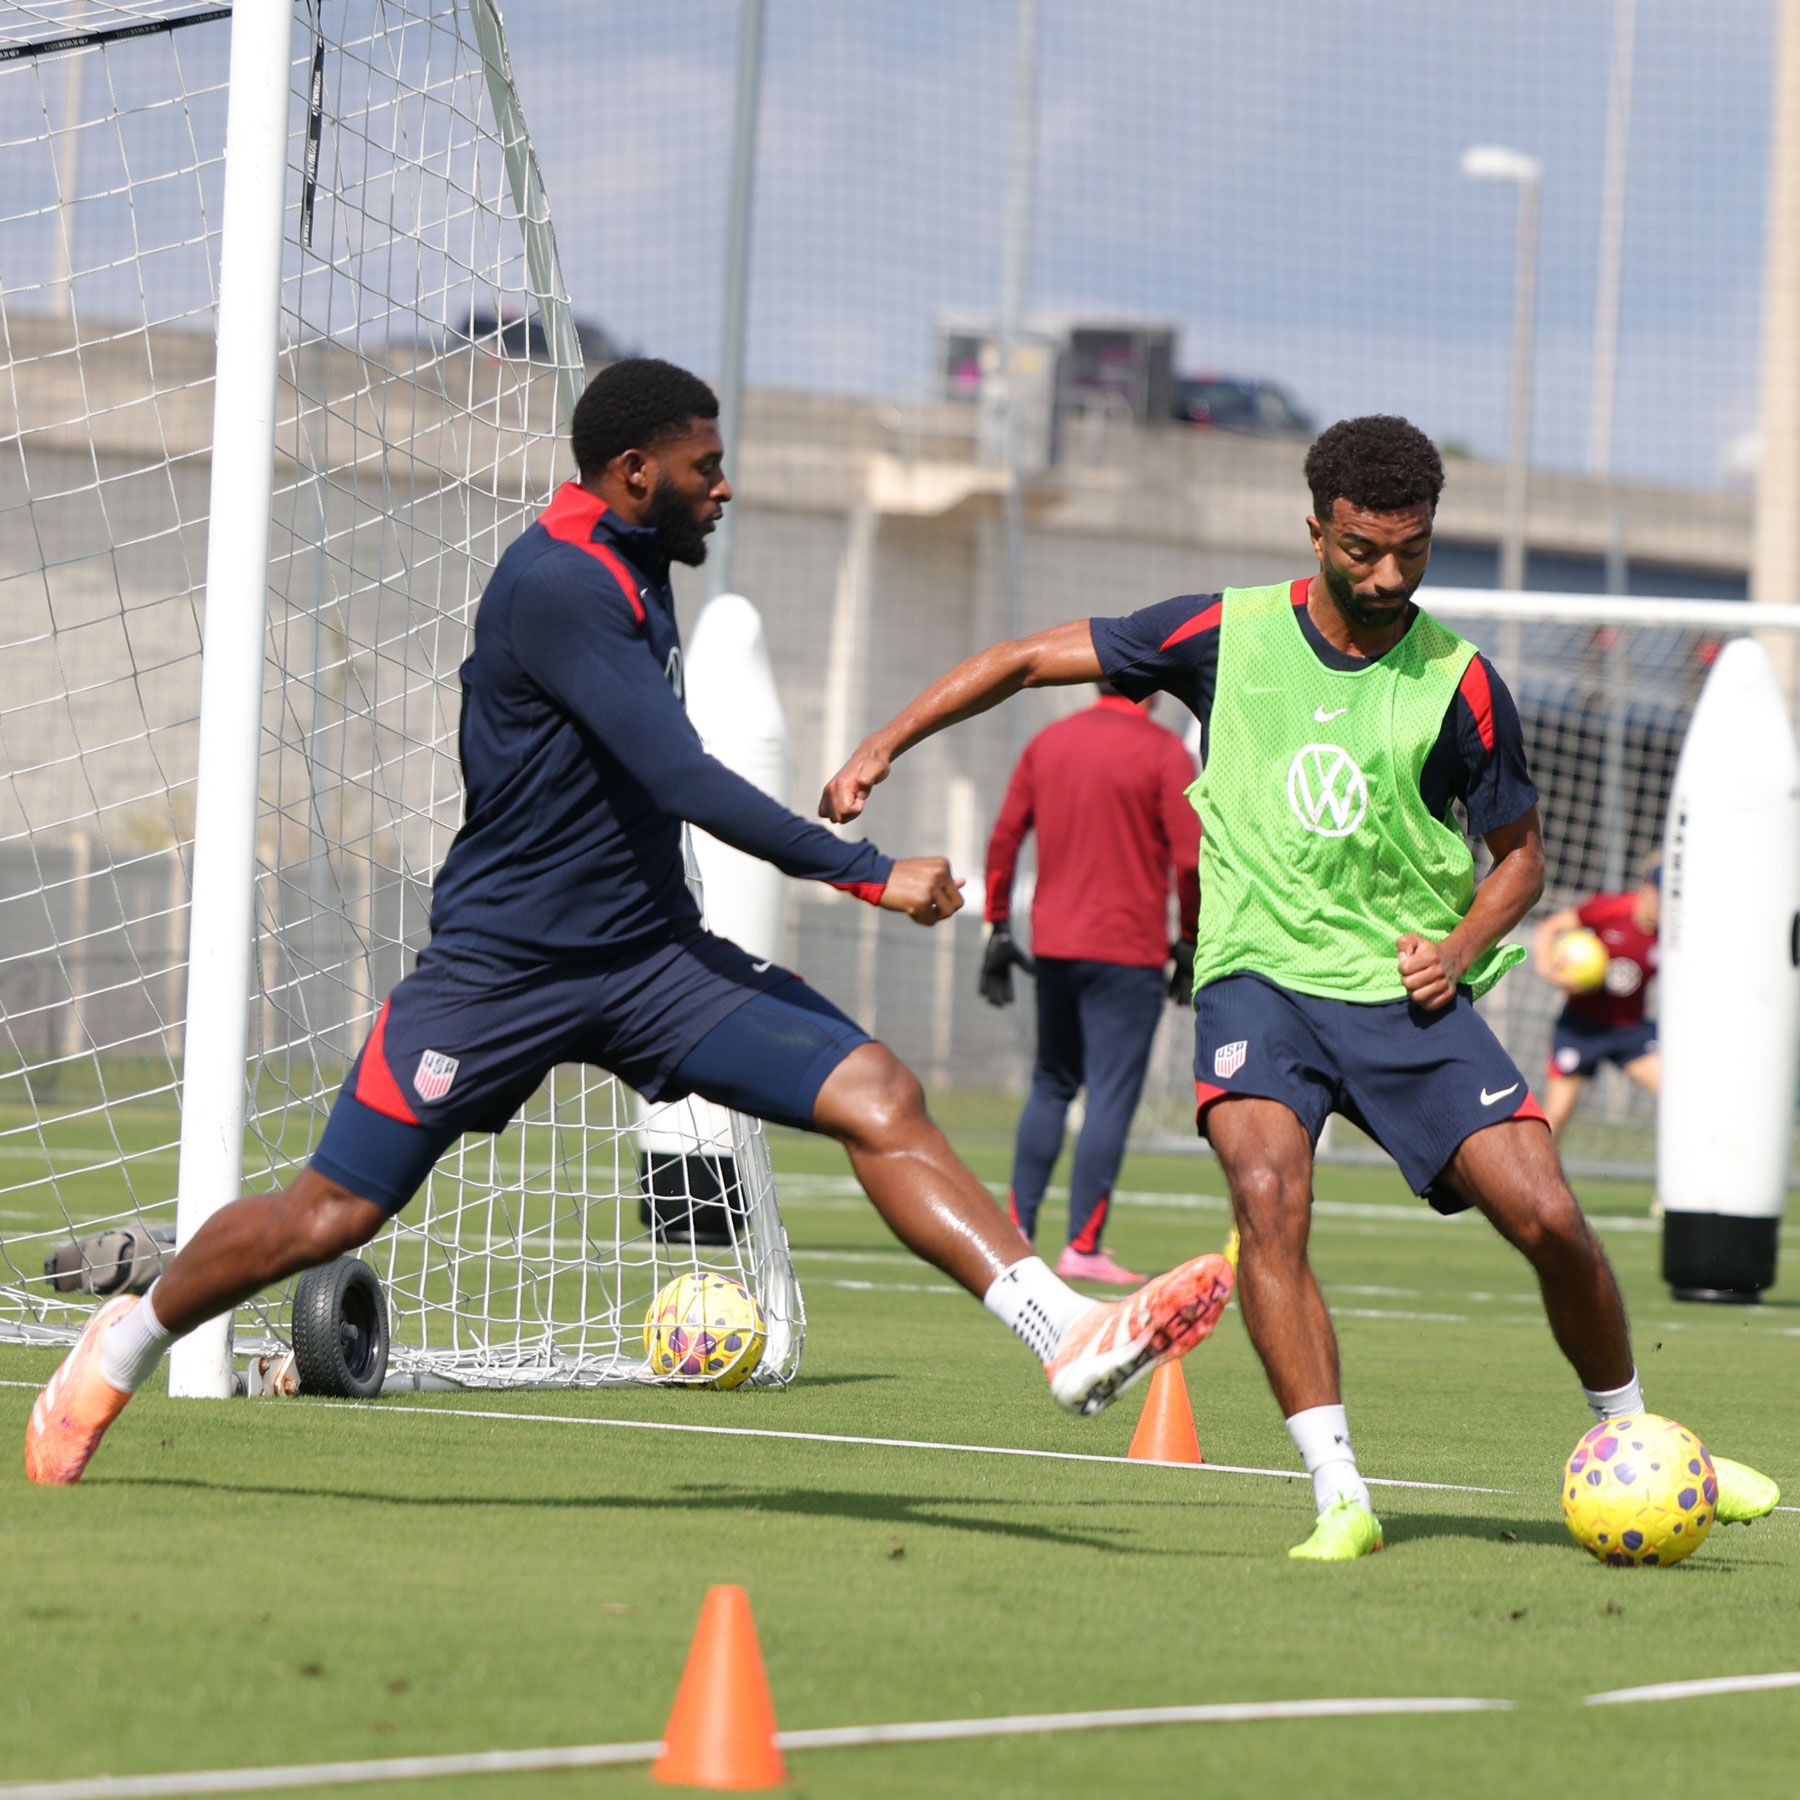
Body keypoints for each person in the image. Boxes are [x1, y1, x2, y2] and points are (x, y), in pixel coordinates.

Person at [25, 359, 1235, 1486]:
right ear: (636, 473)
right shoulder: (558, 583)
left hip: (653, 963)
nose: (725, 486)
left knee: (882, 1095)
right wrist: (869, 873)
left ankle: (1062, 1331)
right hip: (500, 972)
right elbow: (683, 779)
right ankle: (125, 1341)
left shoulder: (639, 559)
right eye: (706, 468)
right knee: (329, 1214)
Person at [820, 413, 1779, 1560]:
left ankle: (1649, 1444)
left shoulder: (1461, 683)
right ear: (1315, 528)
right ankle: (1340, 1496)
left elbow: (1522, 857)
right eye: (1362, 549)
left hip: (1404, 997)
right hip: (1256, 983)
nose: (1386, 575)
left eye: (1411, 552)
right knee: (1270, 1201)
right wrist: (883, 742)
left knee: (1553, 1219)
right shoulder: (1223, 633)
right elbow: (1027, 659)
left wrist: (1462, 946)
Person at [980, 684, 1199, 1284]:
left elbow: (1003, 838)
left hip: (1054, 946)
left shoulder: (1049, 743)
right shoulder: (1163, 753)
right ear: (1153, 689)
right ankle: (1081, 1246)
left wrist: (997, 925)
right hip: (1127, 952)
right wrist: (1190, 938)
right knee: (1109, 1094)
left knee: (1050, 1084)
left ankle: (1015, 1234)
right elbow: (1189, 859)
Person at [1531, 862, 1660, 1142]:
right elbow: (1550, 927)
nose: (1665, 906)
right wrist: (1548, 970)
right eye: (1662, 896)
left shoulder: (1673, 936)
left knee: (1678, 1098)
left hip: (1630, 1030)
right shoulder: (1611, 909)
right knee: (1556, 1116)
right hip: (1581, 1028)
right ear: (1648, 889)